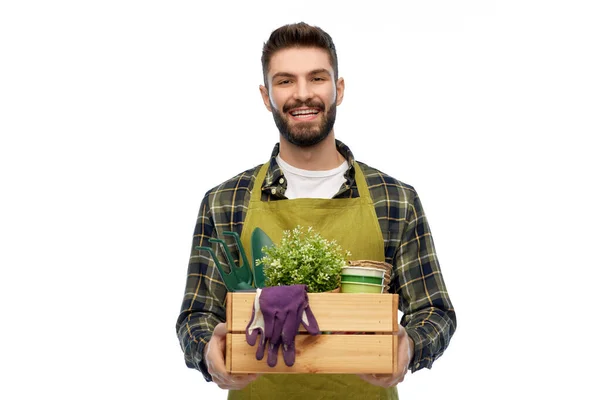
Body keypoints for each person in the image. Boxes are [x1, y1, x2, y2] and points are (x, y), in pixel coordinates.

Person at [176, 22, 456, 400]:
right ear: (266, 95)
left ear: (338, 90)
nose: (303, 94)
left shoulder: (394, 199)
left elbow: (434, 310)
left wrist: (409, 347)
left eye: (317, 78)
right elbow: (196, 317)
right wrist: (208, 350)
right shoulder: (226, 201)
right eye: (286, 81)